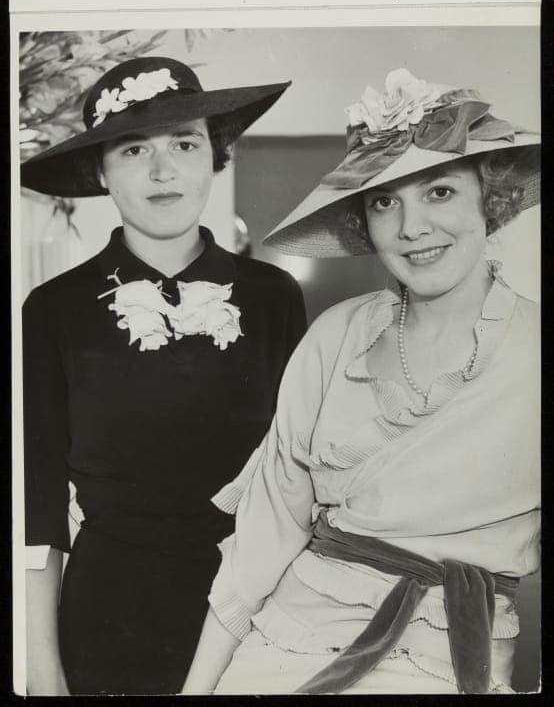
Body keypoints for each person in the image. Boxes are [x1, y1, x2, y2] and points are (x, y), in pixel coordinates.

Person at [183, 68, 540, 695]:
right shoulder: (335, 333)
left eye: (439, 192)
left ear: (491, 197)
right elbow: (269, 530)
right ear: (364, 222)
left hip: (450, 652)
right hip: (288, 635)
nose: (411, 228)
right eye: (385, 201)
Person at [21, 56, 307, 695]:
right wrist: (44, 676)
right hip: (105, 623)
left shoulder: (274, 297)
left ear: (216, 155)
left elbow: (298, 485)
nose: (162, 169)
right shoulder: (52, 309)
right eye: (132, 150)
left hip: (251, 620)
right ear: (101, 169)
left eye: (185, 143)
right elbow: (37, 506)